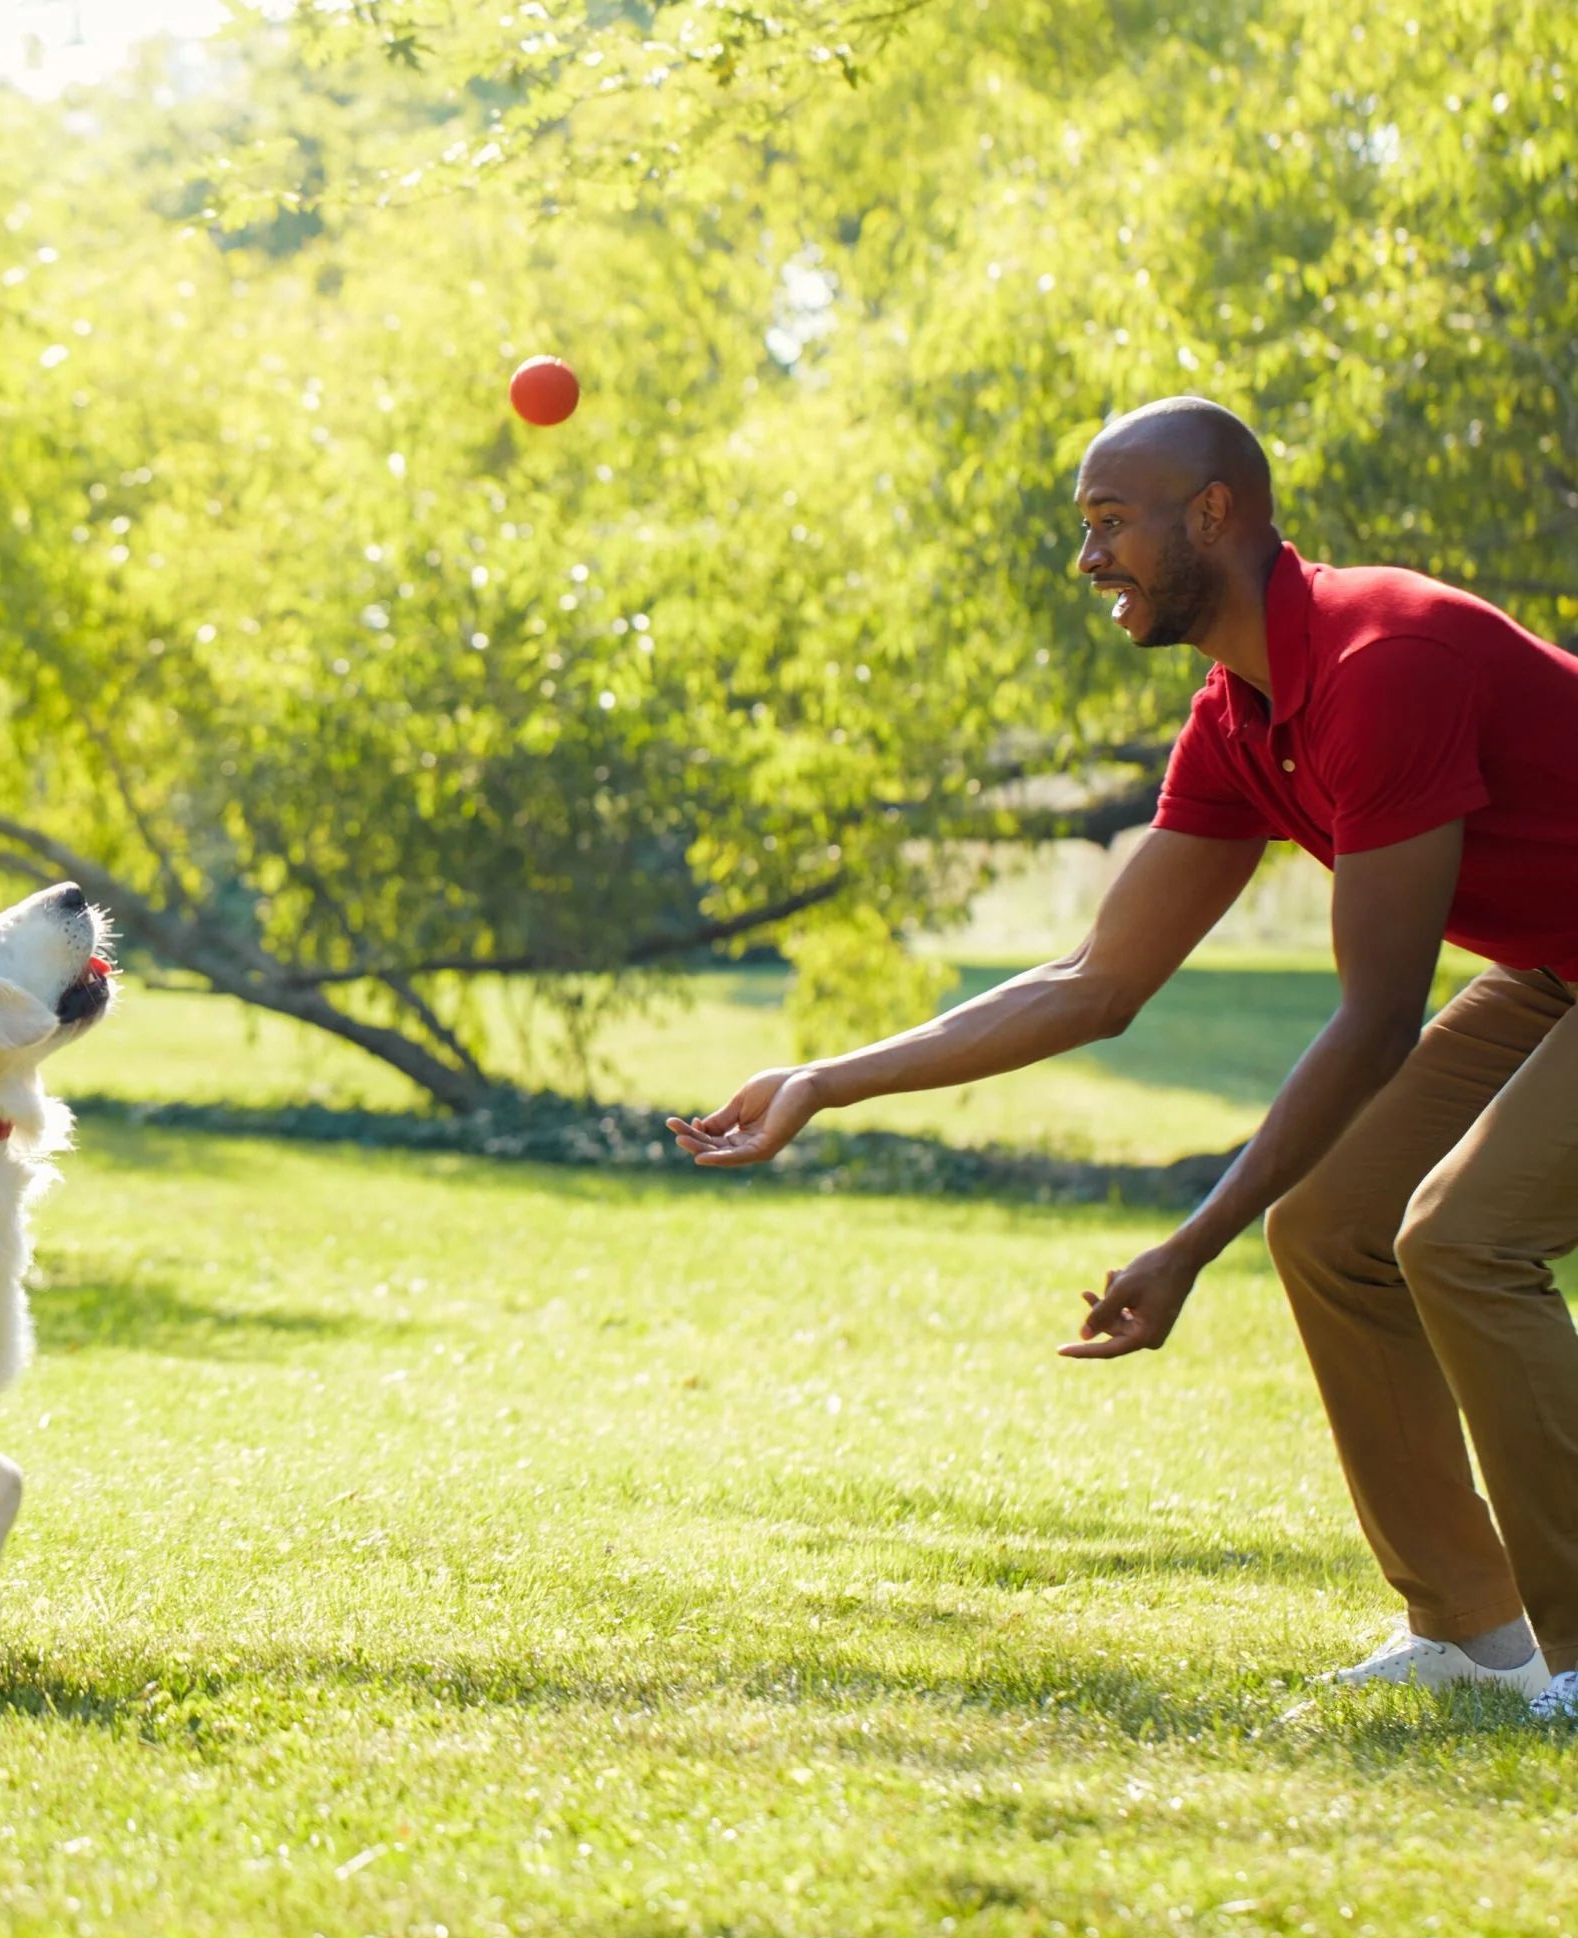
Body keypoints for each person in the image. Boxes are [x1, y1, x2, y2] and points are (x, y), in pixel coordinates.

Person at [670, 395, 1578, 1717]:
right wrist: (824, 1078)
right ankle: (1471, 1633)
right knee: (1331, 1228)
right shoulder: (1239, 720)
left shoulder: (1384, 659)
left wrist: (1188, 1243)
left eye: (1111, 524)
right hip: (1556, 967)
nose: (1088, 557)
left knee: (1459, 1236)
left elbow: (1377, 1018)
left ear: (1213, 514)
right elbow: (1095, 983)